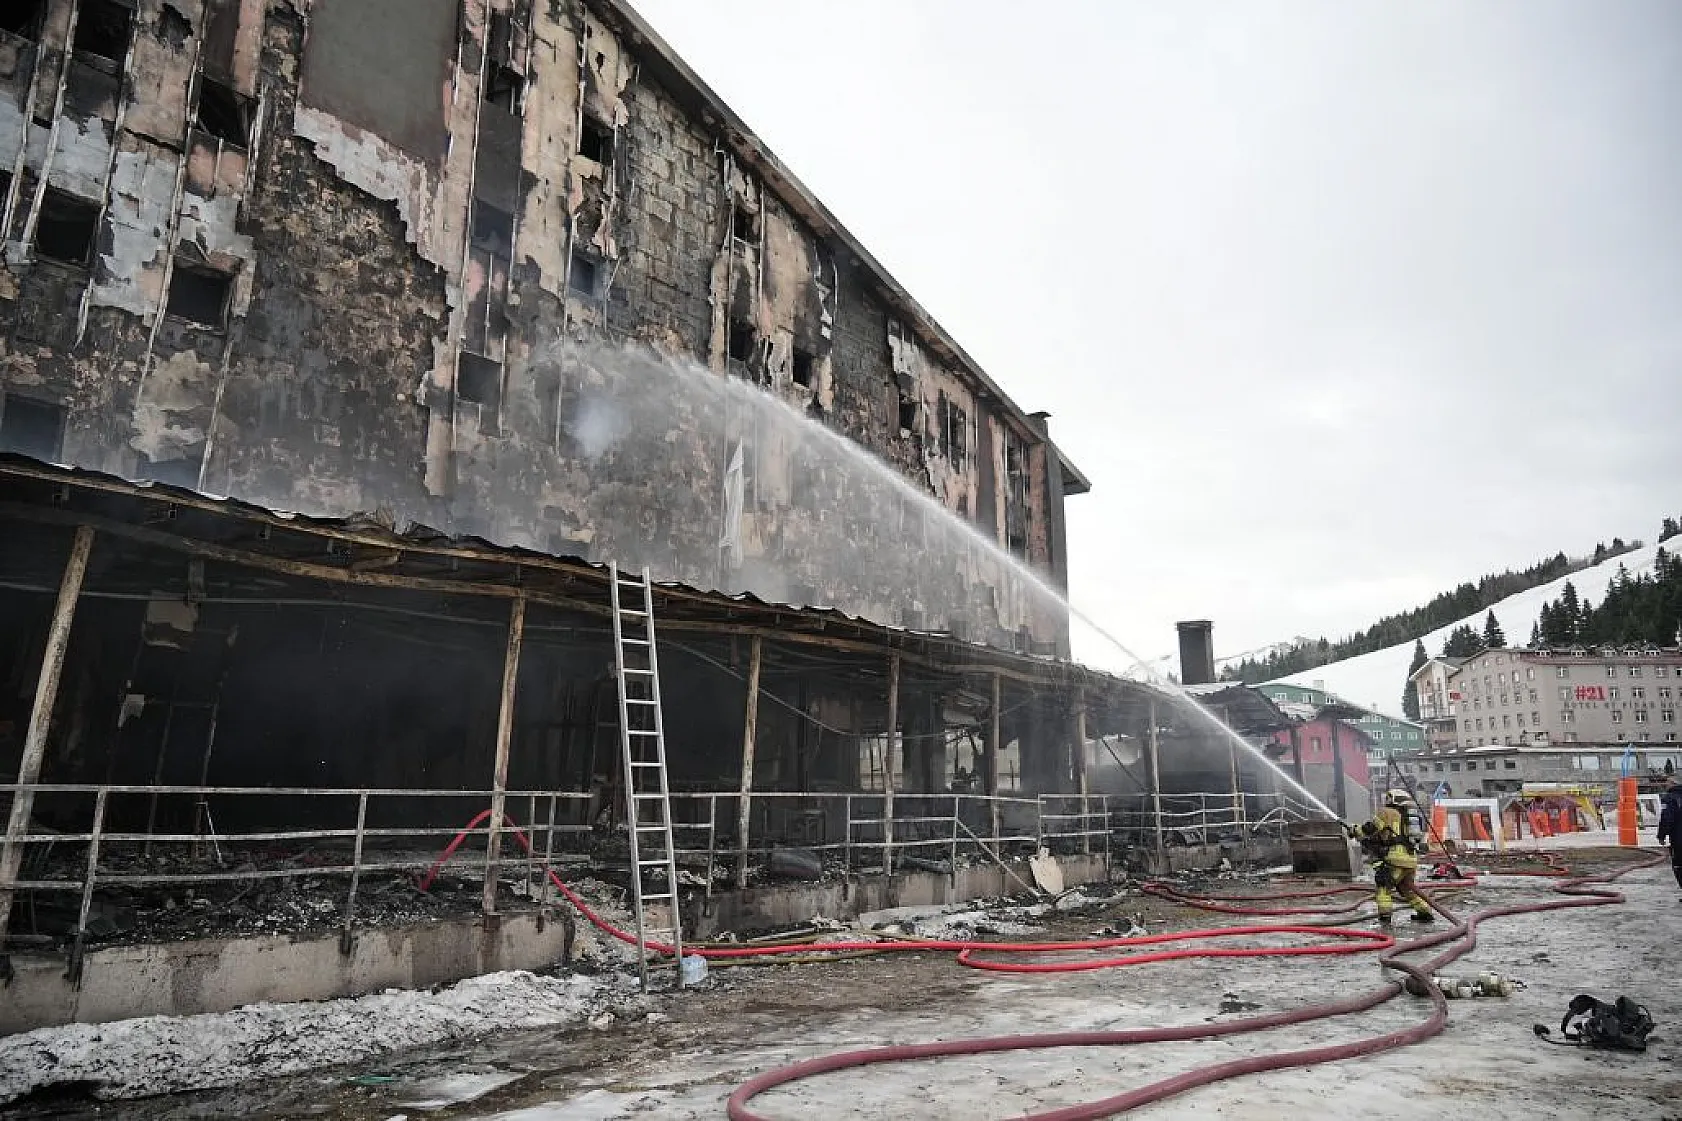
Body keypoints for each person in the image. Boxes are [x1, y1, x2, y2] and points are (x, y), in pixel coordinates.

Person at [1347, 791, 1435, 925]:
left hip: (1395, 860)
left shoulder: (1386, 812)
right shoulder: (1410, 816)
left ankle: (1385, 919)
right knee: (1406, 890)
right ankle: (1425, 913)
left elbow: (1370, 829)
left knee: (1383, 888)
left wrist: (1355, 830)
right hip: (1411, 860)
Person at [1658, 780, 1682, 899]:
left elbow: (1666, 818)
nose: (1665, 785)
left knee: (1678, 866)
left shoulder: (1669, 798)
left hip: (1678, 839)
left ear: (1672, 785)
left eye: (1667, 783)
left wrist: (1661, 835)